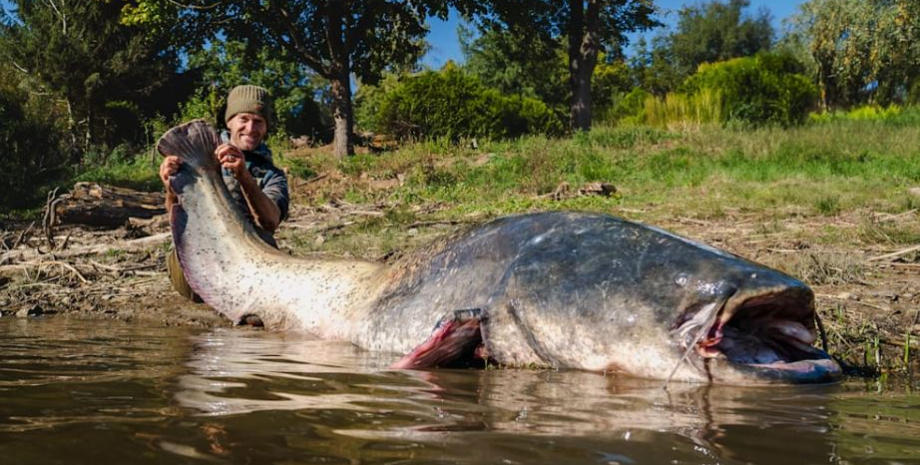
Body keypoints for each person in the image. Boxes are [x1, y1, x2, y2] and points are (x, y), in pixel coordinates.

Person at [159, 85, 290, 301]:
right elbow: (175, 212)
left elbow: (270, 222)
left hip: (249, 260)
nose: (250, 128)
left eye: (259, 121)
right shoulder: (197, 159)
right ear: (229, 122)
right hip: (199, 258)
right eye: (244, 119)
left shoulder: (273, 175)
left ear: (266, 127)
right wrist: (170, 188)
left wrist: (243, 176)